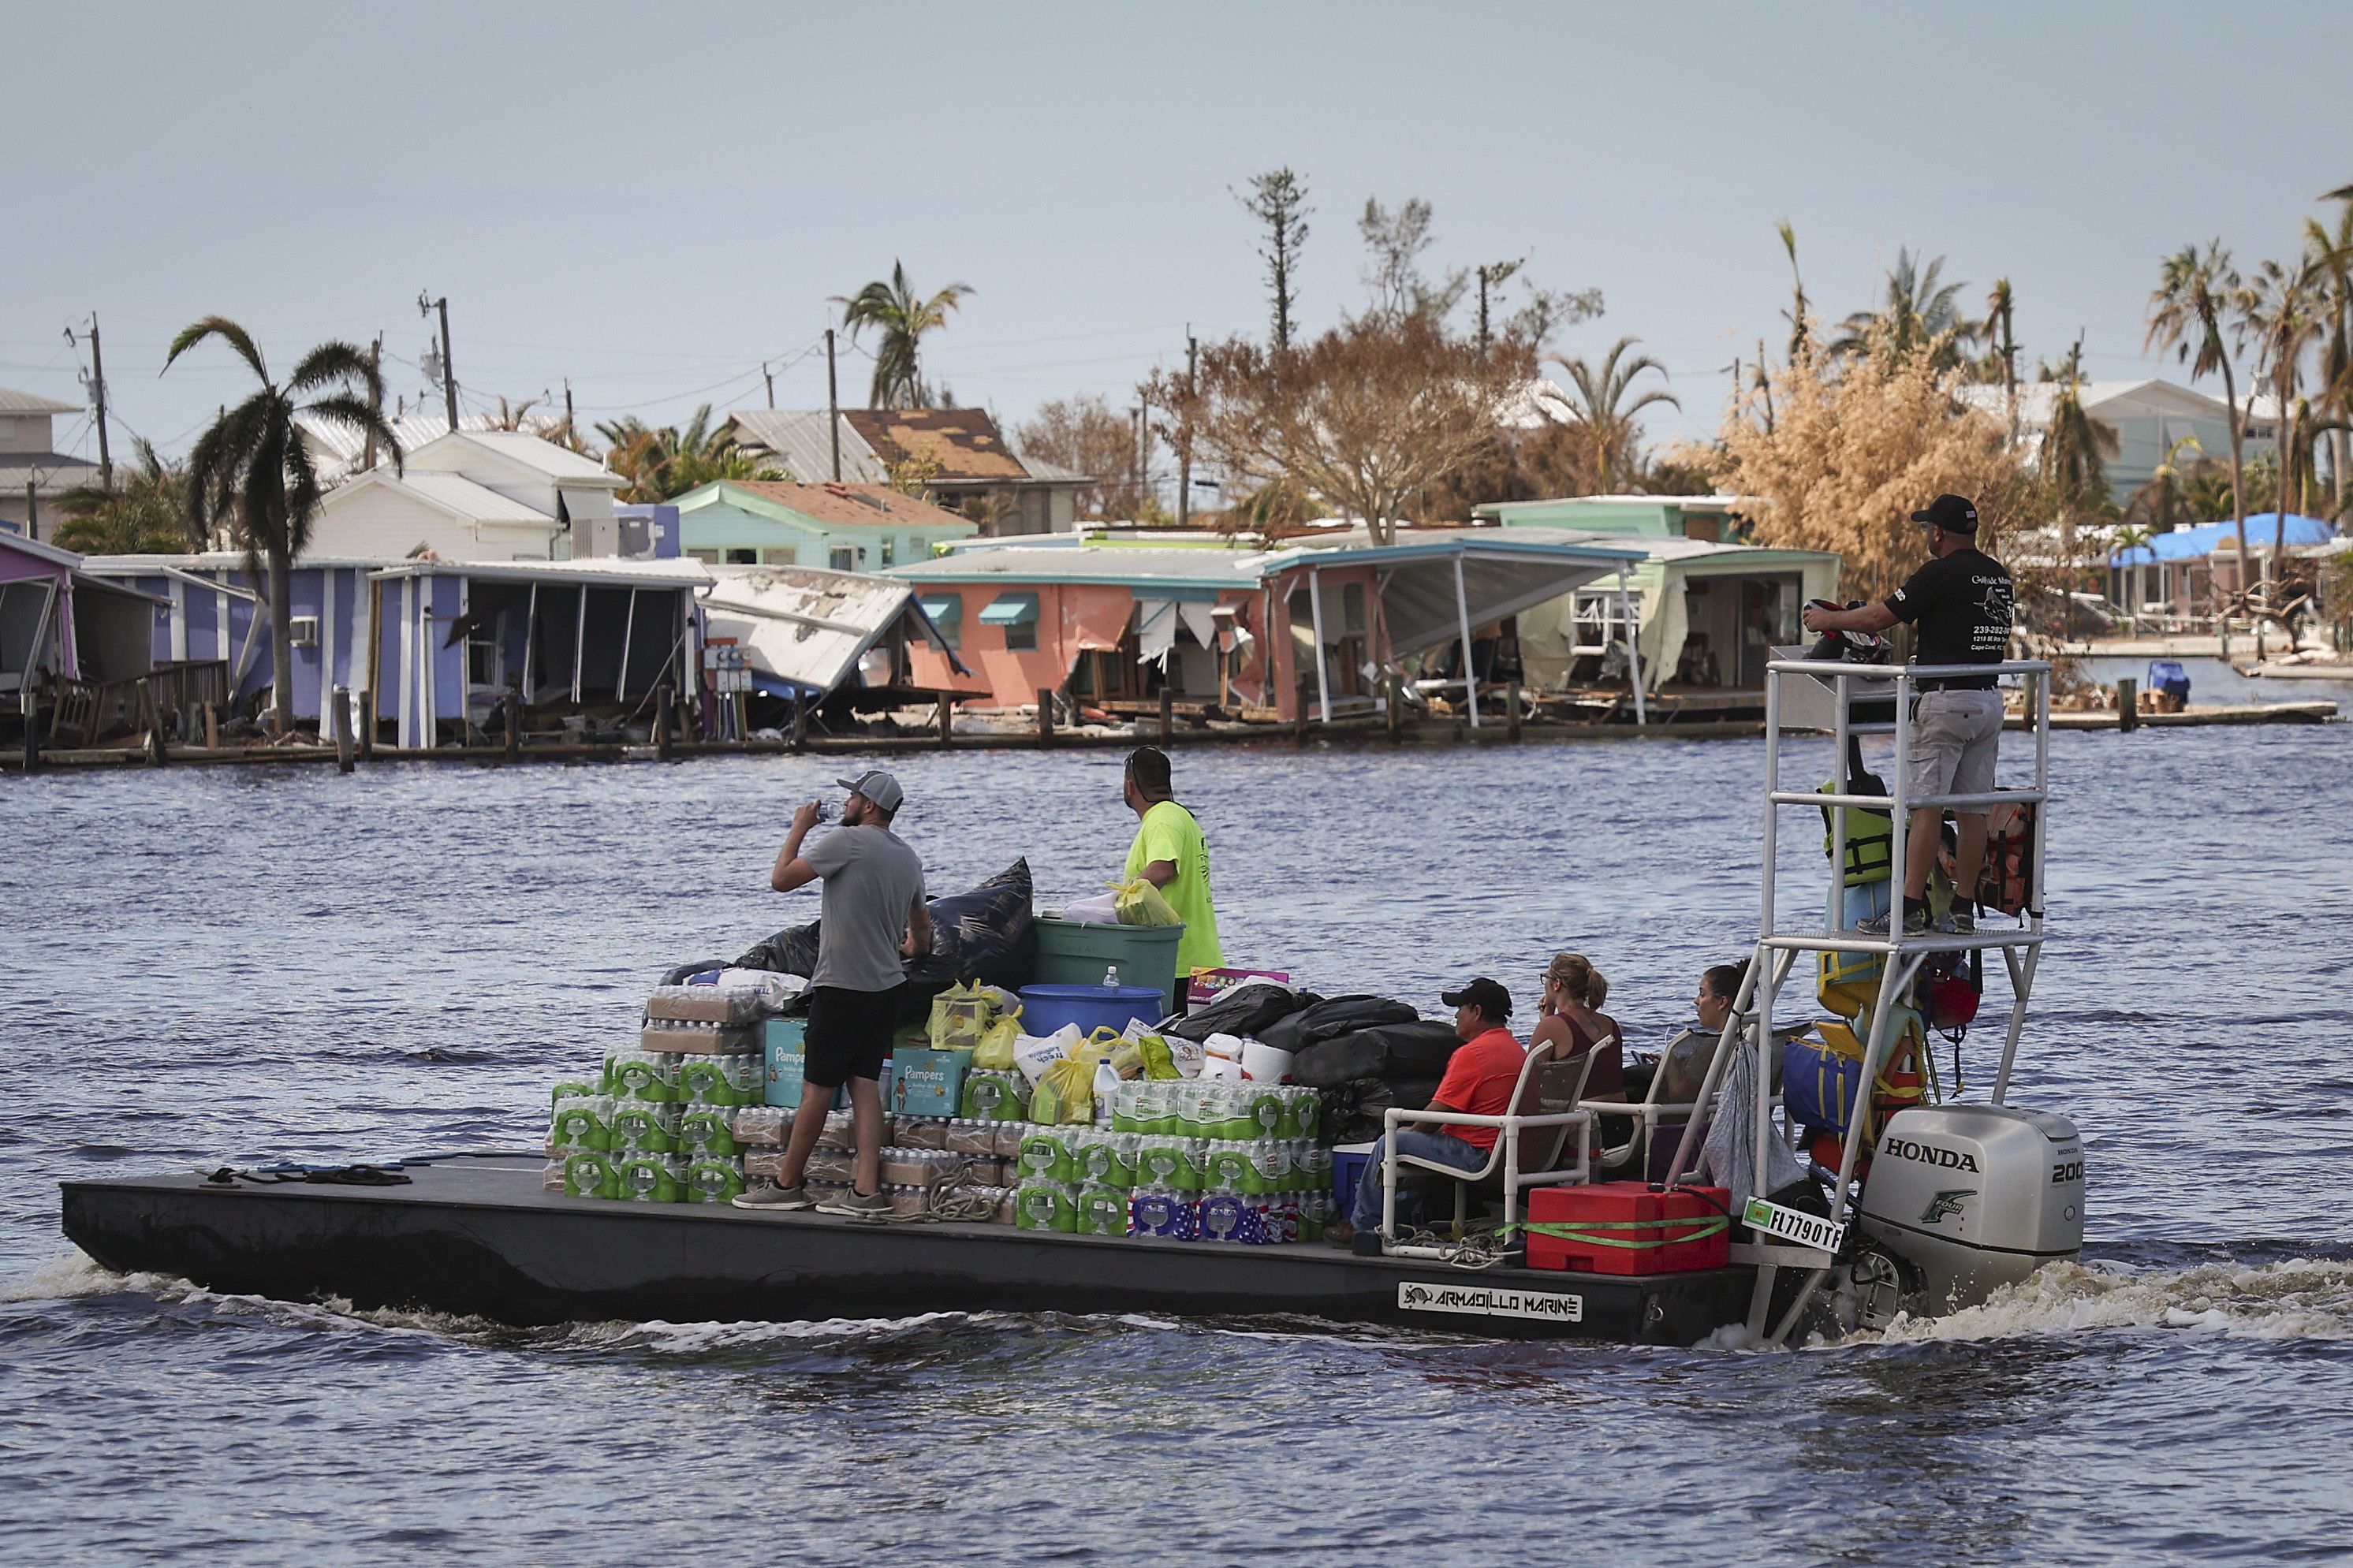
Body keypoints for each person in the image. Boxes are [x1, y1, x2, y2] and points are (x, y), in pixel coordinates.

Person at [1802, 493, 2015, 937]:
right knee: (1974, 811)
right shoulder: (1997, 574)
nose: (1926, 536)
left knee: (1924, 810)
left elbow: (1881, 617)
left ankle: (1908, 911)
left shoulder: (1936, 574)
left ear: (1938, 532)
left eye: (1927, 529)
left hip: (1944, 703)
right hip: (1988, 701)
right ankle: (1961, 908)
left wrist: (1827, 620)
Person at [735, 769, 930, 1220]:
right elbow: (922, 931)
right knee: (864, 1085)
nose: (845, 805)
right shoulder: (908, 857)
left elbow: (782, 879)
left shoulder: (848, 842)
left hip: (842, 985)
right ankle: (866, 1192)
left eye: (853, 798)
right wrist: (909, 949)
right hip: (887, 987)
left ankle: (787, 1183)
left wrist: (800, 827)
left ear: (869, 806)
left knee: (817, 1087)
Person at [1336, 977, 1526, 1257]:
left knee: (1390, 1142)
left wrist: (1410, 1130)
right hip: (1503, 1151)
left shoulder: (1472, 1054)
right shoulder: (1515, 1049)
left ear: (1477, 1011)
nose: (1456, 1015)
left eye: (1460, 1008)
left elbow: (1436, 1114)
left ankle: (1364, 1227)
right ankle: (1397, 1220)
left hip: (1478, 1154)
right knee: (1415, 1144)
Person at [1121, 746, 1224, 976]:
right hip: (1201, 962)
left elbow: (1162, 870)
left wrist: (1119, 905)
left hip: (1177, 966)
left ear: (1130, 787)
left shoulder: (1162, 819)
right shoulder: (1180, 817)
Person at [1530, 952, 1624, 1101]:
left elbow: (1531, 1083)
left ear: (1557, 984)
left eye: (1546, 978)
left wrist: (1546, 1021)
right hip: (1618, 1119)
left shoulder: (1552, 1026)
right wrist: (1548, 1017)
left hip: (1582, 1121)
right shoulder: (1610, 1024)